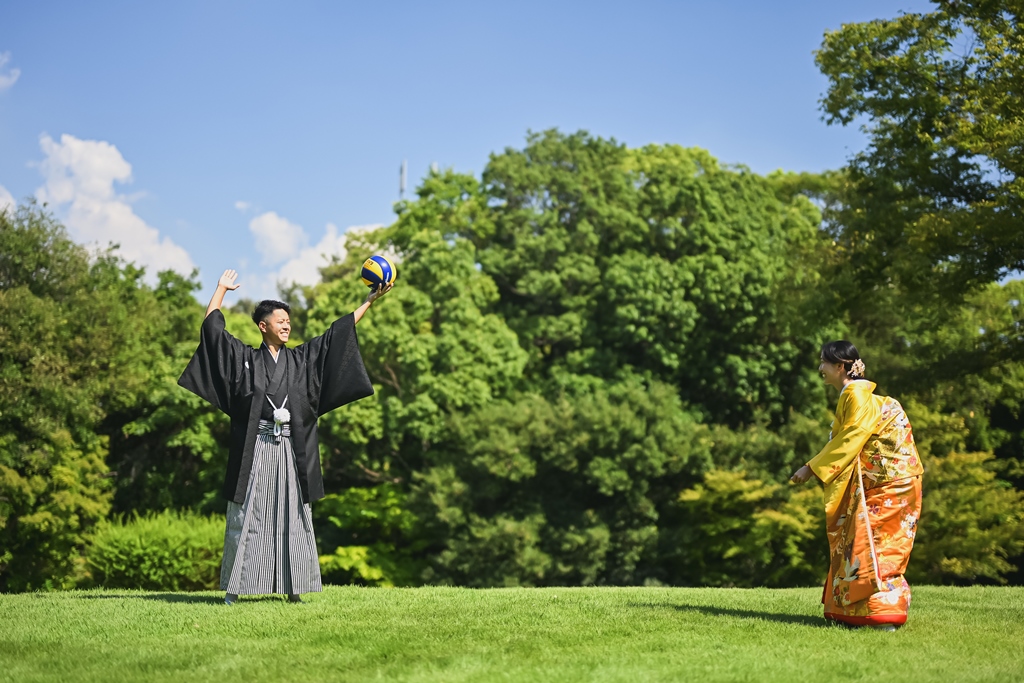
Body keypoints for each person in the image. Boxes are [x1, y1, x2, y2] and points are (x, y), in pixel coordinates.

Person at [178, 269, 390, 604]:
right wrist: (220, 289)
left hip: (292, 448)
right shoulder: (245, 359)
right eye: (280, 321)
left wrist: (368, 301)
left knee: (294, 513)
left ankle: (294, 590)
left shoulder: (301, 358)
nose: (287, 325)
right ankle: (234, 590)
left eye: (288, 321)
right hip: (256, 447)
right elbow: (213, 332)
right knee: (246, 513)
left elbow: (336, 335)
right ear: (263, 326)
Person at [790, 341, 924, 629]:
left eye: (824, 362)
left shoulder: (856, 394)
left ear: (840, 366)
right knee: (871, 542)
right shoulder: (858, 394)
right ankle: (859, 612)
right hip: (893, 478)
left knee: (876, 545)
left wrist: (811, 468)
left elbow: (853, 435)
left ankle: (881, 613)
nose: (819, 368)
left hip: (888, 481)